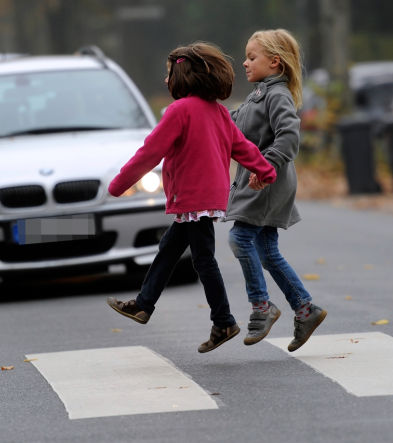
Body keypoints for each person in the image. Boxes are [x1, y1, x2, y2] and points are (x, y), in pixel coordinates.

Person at [106, 42, 277, 353]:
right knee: (170, 248)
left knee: (203, 259)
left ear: (183, 76)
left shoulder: (179, 111)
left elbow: (149, 153)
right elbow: (243, 147)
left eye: (169, 73)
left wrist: (118, 185)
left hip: (192, 197)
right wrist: (265, 170)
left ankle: (224, 321)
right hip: (207, 196)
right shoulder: (219, 112)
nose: (166, 80)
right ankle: (143, 305)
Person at [226, 29, 327, 352]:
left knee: (240, 238)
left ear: (275, 62)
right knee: (267, 252)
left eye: (251, 57)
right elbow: (234, 125)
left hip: (267, 181)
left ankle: (261, 306)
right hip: (265, 180)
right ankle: (305, 309)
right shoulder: (260, 93)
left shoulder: (276, 94)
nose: (244, 62)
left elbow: (289, 136)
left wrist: (264, 166)